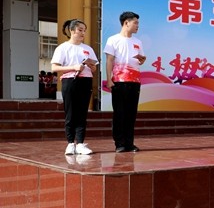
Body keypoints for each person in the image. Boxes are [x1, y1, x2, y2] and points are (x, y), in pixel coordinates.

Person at [51, 18, 98, 155]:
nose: (83, 33)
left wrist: (91, 66)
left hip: (86, 81)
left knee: (82, 113)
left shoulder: (88, 49)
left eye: (84, 30)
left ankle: (81, 143)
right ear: (72, 31)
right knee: (70, 112)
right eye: (80, 30)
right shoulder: (63, 47)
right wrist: (74, 67)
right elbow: (54, 67)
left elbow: (94, 69)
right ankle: (70, 143)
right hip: (70, 81)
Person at [104, 11, 145, 153]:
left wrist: (142, 59)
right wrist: (109, 79)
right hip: (119, 81)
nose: (137, 26)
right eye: (135, 23)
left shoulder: (137, 42)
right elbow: (109, 60)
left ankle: (130, 143)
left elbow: (141, 59)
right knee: (119, 113)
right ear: (126, 23)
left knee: (131, 113)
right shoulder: (113, 40)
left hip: (134, 81)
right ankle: (119, 144)